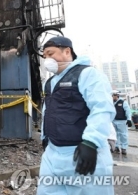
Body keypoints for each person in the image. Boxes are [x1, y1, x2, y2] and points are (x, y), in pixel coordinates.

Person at [38, 36, 116, 195]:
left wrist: (91, 142)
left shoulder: (88, 74)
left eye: (50, 53)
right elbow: (48, 110)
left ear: (67, 51)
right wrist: (45, 138)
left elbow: (101, 108)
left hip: (80, 152)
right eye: (44, 56)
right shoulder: (50, 82)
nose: (47, 59)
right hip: (53, 153)